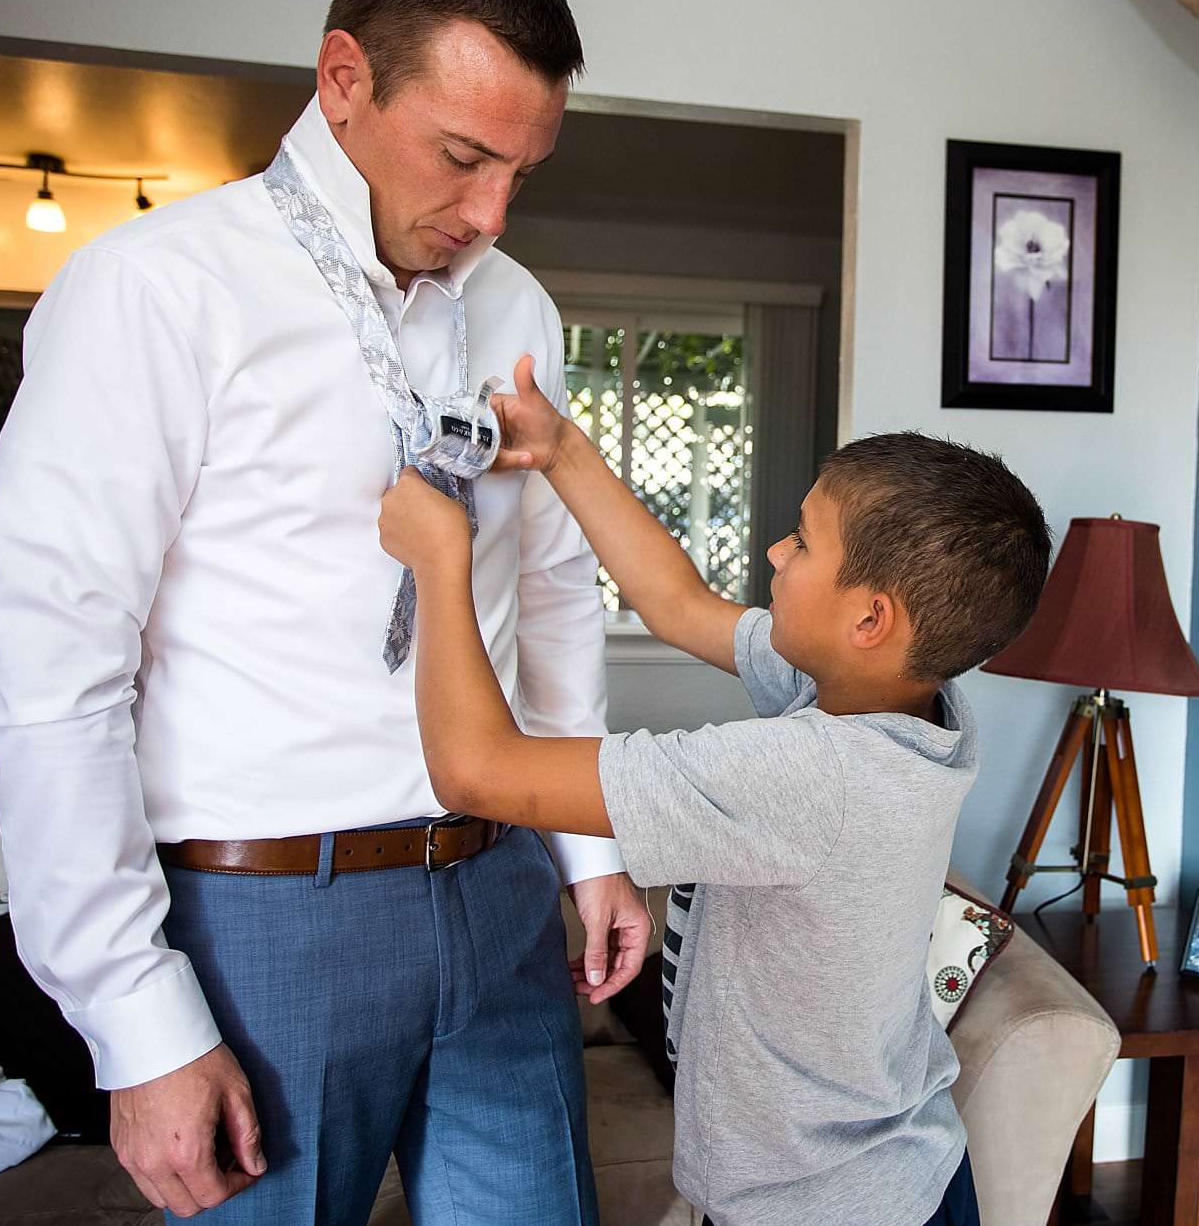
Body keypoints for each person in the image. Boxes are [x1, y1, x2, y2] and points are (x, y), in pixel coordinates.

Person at [0, 0, 650, 1223]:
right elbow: (58, 678)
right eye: (462, 157)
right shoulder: (151, 292)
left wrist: (589, 851)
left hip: (501, 890)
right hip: (265, 915)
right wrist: (135, 1017)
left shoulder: (519, 311)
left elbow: (554, 594)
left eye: (526, 167)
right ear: (344, 78)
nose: (491, 213)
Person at [376, 357, 1053, 1226]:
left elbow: (475, 769)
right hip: (894, 1182)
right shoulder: (911, 707)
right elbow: (675, 601)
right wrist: (562, 449)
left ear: (871, 619)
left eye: (803, 541)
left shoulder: (807, 776)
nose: (777, 549)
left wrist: (440, 561)